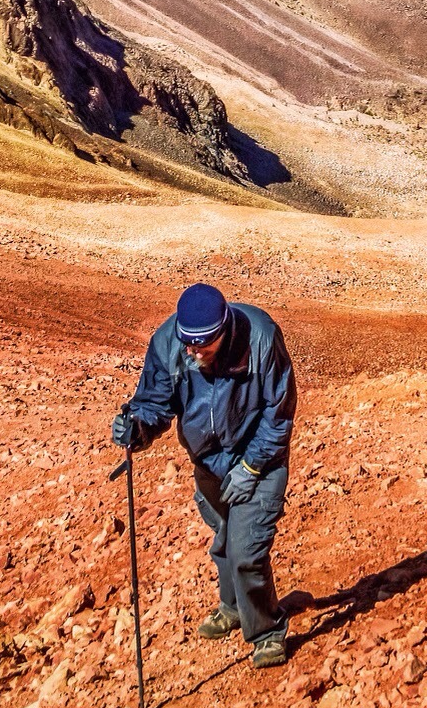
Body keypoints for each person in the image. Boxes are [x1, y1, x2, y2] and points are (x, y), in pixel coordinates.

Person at [112, 282, 297, 669]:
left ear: (224, 330)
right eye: (189, 345)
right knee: (225, 538)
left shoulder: (260, 337)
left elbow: (278, 411)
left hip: (259, 460)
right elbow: (155, 401)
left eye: (204, 346)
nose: (194, 353)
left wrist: (252, 465)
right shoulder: (168, 343)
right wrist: (138, 427)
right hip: (208, 461)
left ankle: (266, 631)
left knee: (246, 551)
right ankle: (232, 608)